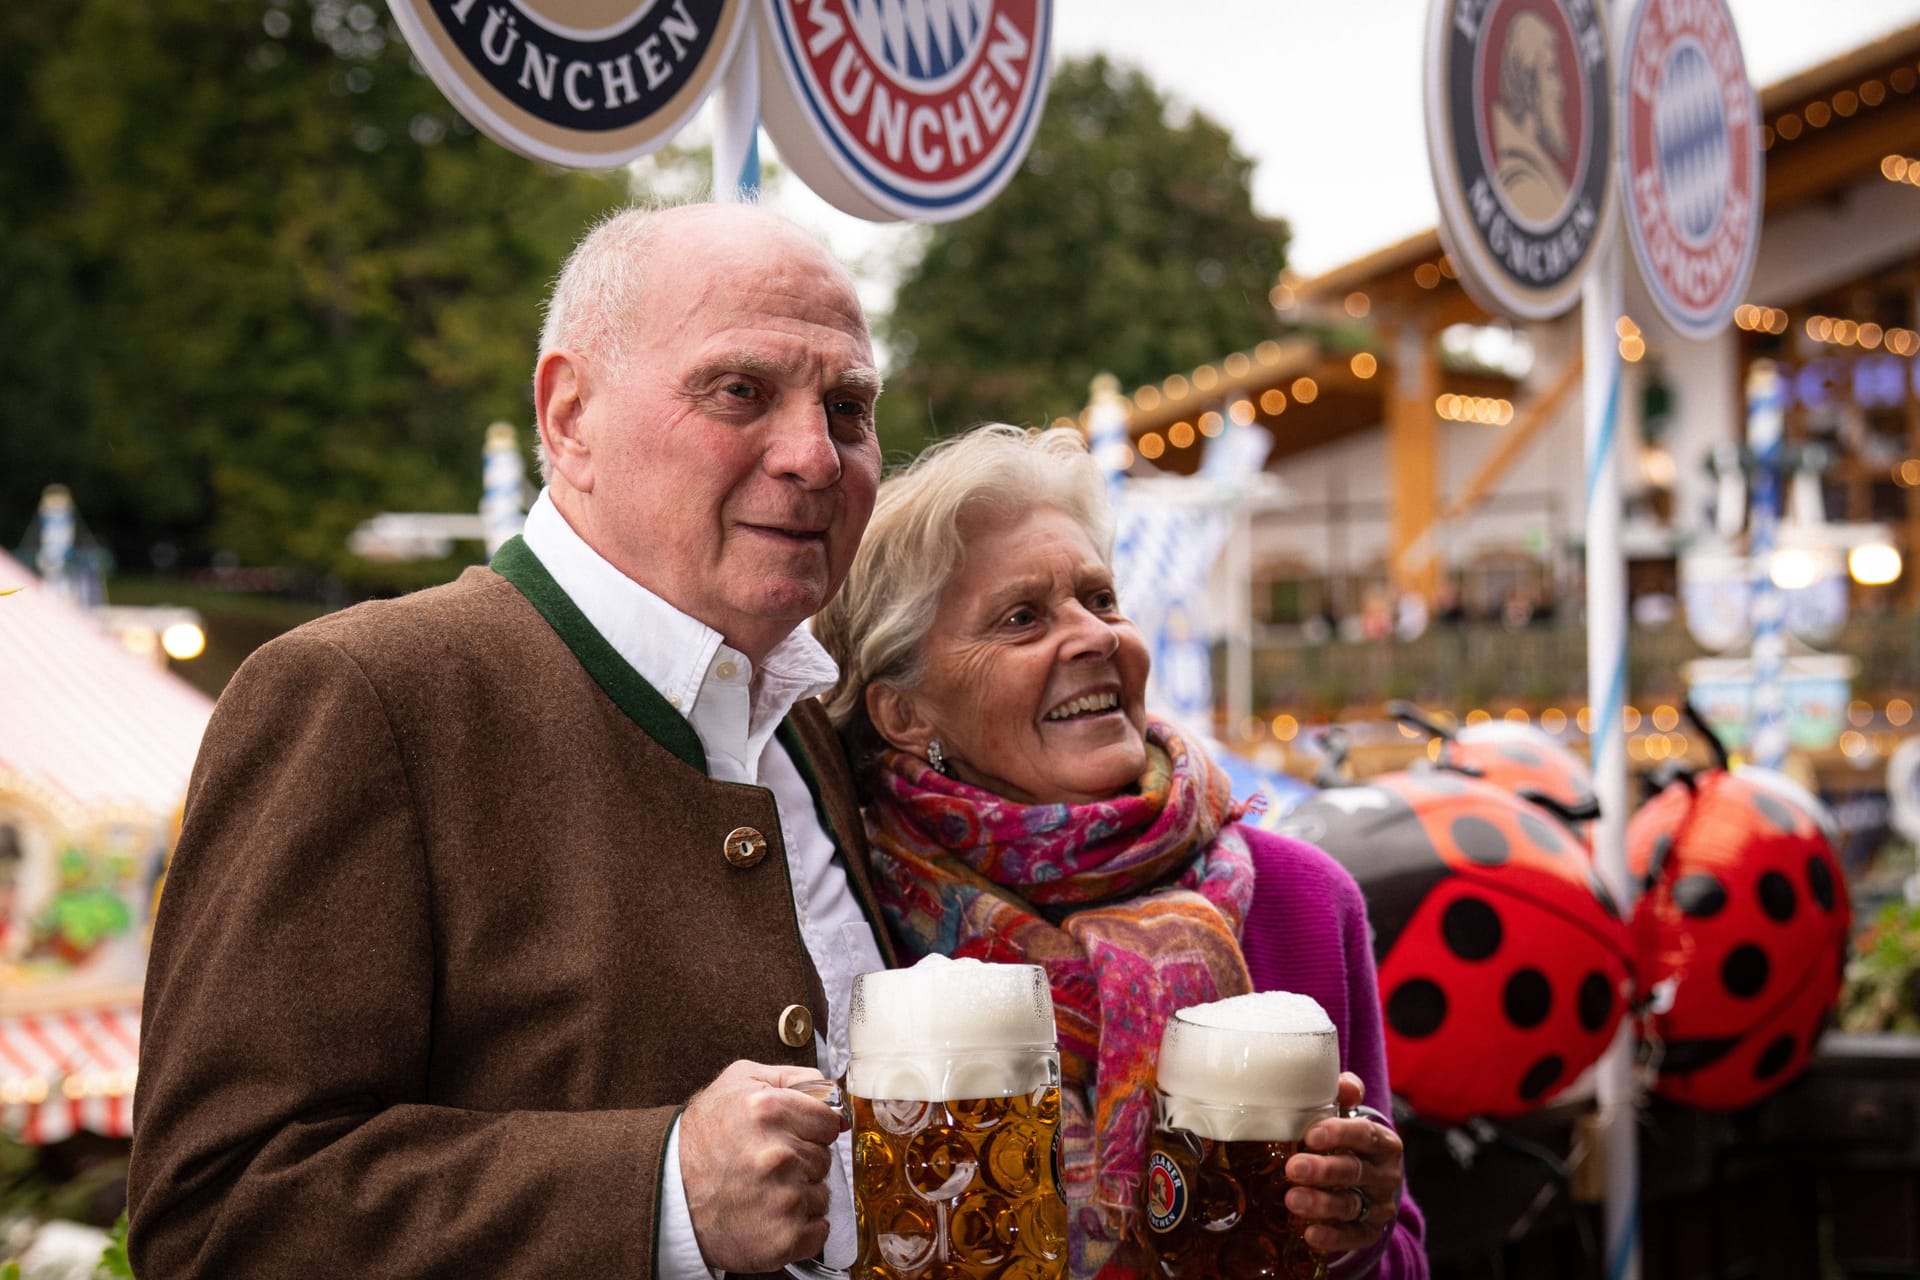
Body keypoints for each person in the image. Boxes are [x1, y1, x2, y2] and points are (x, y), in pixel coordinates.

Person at [128, 203, 895, 1278]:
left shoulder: (807, 719)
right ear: (570, 416)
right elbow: (215, 1219)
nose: (816, 455)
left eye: (849, 406)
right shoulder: (365, 692)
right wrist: (662, 1190)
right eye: (740, 391)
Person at [812, 426, 1428, 1279]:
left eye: (1100, 600)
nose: (1095, 637)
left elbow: (1399, 1258)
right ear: (905, 715)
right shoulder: (838, 905)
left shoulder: (1302, 898)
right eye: (1023, 618)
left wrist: (1355, 1231)